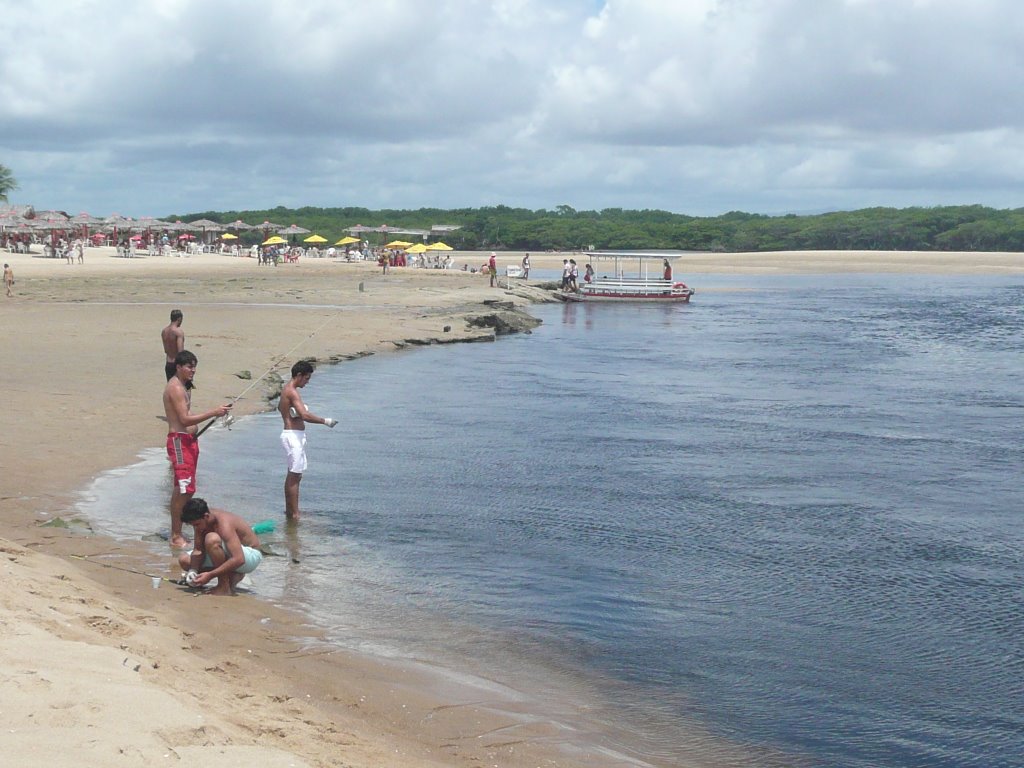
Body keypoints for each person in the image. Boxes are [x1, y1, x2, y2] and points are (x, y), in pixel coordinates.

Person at [163, 350, 233, 549]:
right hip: (179, 442)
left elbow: (187, 417)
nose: (193, 370)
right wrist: (213, 412)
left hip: (189, 441)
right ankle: (176, 534)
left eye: (194, 367)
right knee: (185, 489)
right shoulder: (175, 388)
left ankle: (180, 531)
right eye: (189, 366)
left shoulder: (184, 387)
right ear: (179, 367)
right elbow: (183, 420)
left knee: (187, 488)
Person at [279, 360, 337, 520]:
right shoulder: (291, 391)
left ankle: (291, 511)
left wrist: (291, 414)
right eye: (306, 378)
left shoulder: (288, 390)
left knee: (296, 475)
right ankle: (294, 513)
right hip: (292, 436)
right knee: (294, 474)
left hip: (295, 435)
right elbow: (304, 415)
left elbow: (281, 408)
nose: (307, 382)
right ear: (299, 375)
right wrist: (325, 421)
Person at [177, 498, 262, 596]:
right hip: (231, 555)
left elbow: (239, 559)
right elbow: (198, 550)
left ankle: (224, 587)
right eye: (193, 525)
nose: (196, 528)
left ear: (206, 516)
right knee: (185, 560)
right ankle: (232, 576)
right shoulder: (201, 520)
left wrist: (210, 575)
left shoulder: (224, 524)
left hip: (250, 556)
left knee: (211, 539)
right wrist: (193, 571)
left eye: (197, 524)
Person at [162, 309, 185, 381]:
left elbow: (166, 350)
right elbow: (180, 352)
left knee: (171, 387)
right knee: (184, 388)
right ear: (179, 319)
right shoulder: (178, 332)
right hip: (177, 364)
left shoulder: (164, 331)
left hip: (168, 364)